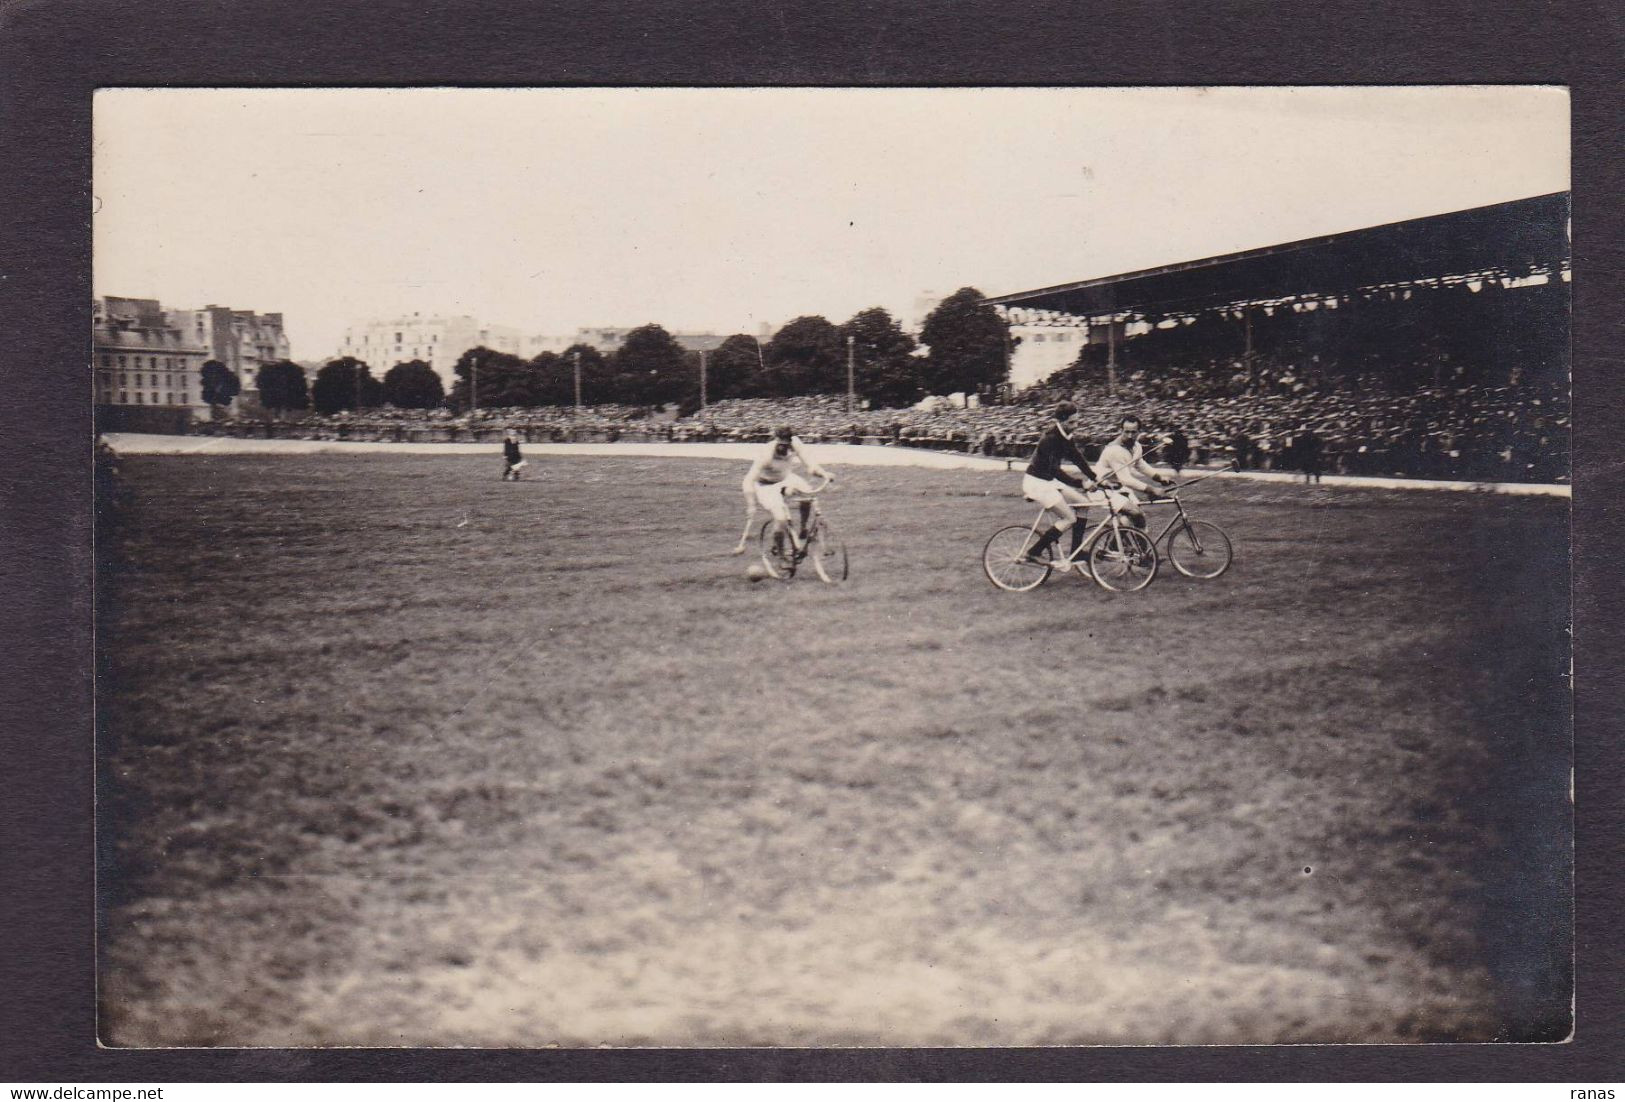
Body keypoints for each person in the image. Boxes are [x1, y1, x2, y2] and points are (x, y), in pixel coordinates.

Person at [1019, 402, 1101, 566]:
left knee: (1083, 503)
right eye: (1071, 422)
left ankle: (1076, 552)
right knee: (1069, 518)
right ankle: (1033, 552)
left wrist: (1094, 477)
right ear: (1060, 421)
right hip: (1037, 482)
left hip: (1048, 480)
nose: (1075, 426)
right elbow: (1054, 470)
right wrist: (1081, 483)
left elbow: (1077, 457)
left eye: (1077, 421)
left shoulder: (1066, 435)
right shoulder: (1050, 438)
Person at [732, 425, 833, 555]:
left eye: (786, 445)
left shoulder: (796, 444)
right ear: (775, 440)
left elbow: (810, 466)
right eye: (780, 444)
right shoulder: (766, 454)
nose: (783, 448)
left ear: (791, 441)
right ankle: (780, 552)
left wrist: (824, 474)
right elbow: (748, 480)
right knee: (780, 519)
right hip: (766, 485)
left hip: (786, 478)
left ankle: (803, 529)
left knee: (808, 493)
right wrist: (751, 504)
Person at [1092, 414, 1175, 532]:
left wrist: (1159, 478)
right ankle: (1138, 547)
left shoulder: (1136, 446)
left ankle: (1119, 548)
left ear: (1139, 432)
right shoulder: (1115, 450)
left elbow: (1141, 465)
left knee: (1134, 519)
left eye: (1133, 432)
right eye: (1126, 432)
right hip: (1102, 488)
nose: (1130, 435)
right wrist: (1152, 489)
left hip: (1118, 488)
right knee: (1135, 513)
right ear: (1121, 430)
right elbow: (1125, 479)